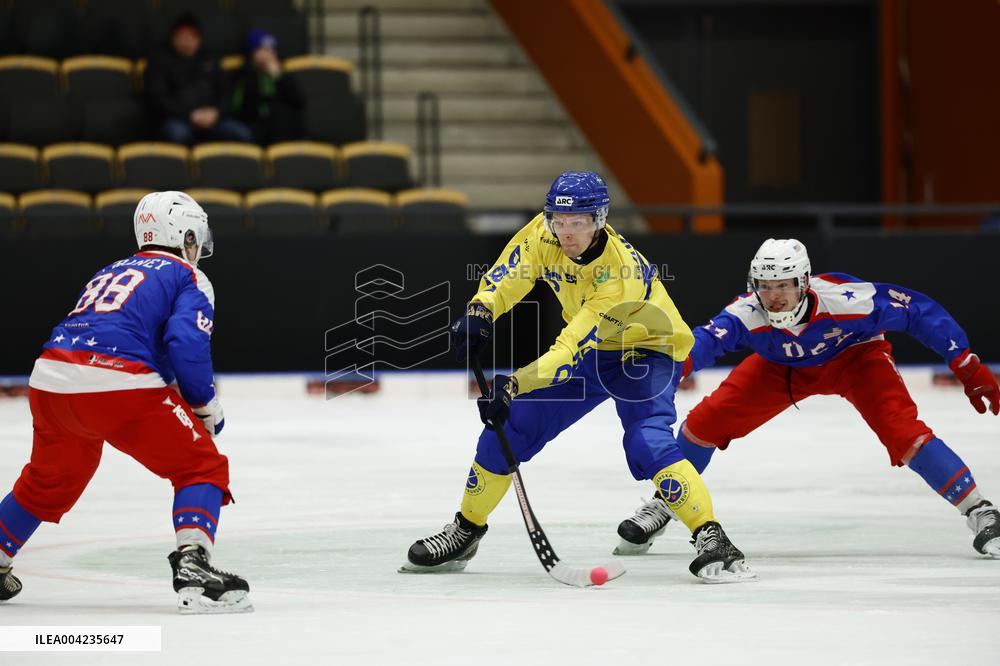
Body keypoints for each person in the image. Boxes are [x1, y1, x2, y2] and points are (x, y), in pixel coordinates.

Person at [401, 171, 756, 583]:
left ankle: (712, 537)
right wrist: (480, 309)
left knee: (647, 441)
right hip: (594, 351)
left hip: (646, 352)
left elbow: (569, 350)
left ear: (600, 220)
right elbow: (506, 278)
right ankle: (465, 529)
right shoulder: (543, 232)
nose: (565, 233)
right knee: (513, 426)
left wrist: (515, 383)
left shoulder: (619, 275)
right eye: (558, 221)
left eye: (578, 223)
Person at [615, 238, 1000, 559]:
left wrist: (965, 363)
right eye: (764, 286)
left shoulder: (847, 300)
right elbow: (700, 343)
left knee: (905, 433)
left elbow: (918, 310)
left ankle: (981, 511)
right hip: (781, 366)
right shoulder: (747, 311)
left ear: (804, 282)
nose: (773, 296)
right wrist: (666, 373)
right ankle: (668, 502)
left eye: (783, 285)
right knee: (704, 423)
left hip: (856, 358)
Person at [0, 192, 252, 614]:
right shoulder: (188, 276)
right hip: (118, 384)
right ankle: (193, 564)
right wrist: (204, 404)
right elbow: (186, 343)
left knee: (49, 480)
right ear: (184, 233)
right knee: (201, 465)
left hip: (50, 380)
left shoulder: (111, 269)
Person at [145, 13, 254, 146]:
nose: (186, 42)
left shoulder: (211, 59)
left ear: (199, 39)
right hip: (179, 118)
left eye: (191, 37)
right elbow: (158, 98)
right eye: (181, 38)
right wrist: (190, 114)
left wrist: (216, 112)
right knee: (177, 134)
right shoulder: (159, 61)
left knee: (243, 133)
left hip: (213, 118)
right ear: (173, 39)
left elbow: (227, 92)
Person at [229, 29, 305, 144]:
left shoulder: (283, 73)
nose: (269, 53)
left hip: (283, 127)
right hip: (254, 125)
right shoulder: (244, 74)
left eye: (272, 49)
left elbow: (299, 101)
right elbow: (238, 106)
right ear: (253, 52)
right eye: (264, 49)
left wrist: (278, 77)